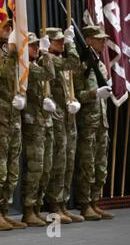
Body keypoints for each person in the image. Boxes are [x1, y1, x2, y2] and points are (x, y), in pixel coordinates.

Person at [0, 19, 27, 230]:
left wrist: (22, 96)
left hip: (14, 117)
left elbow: (18, 79)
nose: (9, 30)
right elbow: (3, 73)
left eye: (11, 27)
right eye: (5, 26)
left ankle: (4, 210)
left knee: (12, 169)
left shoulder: (10, 53)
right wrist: (12, 51)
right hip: (0, 117)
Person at [43, 26, 84, 224]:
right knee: (59, 163)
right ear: (48, 42)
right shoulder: (50, 59)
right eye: (57, 41)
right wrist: (71, 44)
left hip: (68, 116)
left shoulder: (60, 60)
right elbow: (74, 64)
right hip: (56, 116)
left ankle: (63, 203)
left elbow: (73, 71)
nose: (61, 43)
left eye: (62, 40)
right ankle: (54, 204)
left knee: (68, 161)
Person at [74, 25, 114, 220]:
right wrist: (94, 94)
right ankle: (84, 204)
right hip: (88, 121)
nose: (103, 42)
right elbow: (75, 95)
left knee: (101, 165)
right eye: (99, 39)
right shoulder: (82, 66)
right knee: (87, 165)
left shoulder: (99, 64)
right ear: (88, 40)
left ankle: (94, 201)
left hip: (102, 121)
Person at [20, 33, 56, 227]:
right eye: (31, 46)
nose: (34, 49)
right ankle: (28, 209)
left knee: (45, 168)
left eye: (36, 46)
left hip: (44, 122)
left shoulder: (35, 65)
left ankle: (37, 207)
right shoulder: (28, 67)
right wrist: (45, 53)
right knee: (35, 168)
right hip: (33, 123)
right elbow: (49, 74)